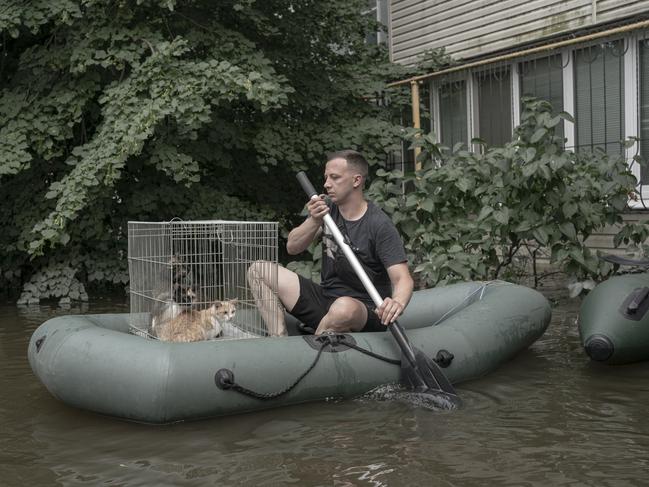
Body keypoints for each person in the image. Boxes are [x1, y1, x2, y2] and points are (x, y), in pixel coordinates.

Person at [247, 150, 414, 336]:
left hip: (364, 310)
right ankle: (279, 340)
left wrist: (396, 302)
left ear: (356, 181)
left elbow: (402, 278)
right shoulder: (327, 210)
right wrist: (314, 220)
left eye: (335, 178)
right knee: (258, 269)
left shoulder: (378, 224)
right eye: (326, 177)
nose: (327, 184)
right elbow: (292, 247)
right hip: (327, 300)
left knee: (343, 308)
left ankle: (311, 351)